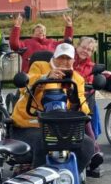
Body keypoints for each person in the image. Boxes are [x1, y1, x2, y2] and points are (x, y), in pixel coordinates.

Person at [10, 43, 99, 173]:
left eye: (68, 59)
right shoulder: (39, 66)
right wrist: (45, 77)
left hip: (62, 127)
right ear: (54, 57)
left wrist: (75, 100)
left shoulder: (76, 79)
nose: (64, 61)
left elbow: (84, 110)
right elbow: (25, 86)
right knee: (45, 141)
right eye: (61, 57)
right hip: (31, 125)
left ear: (73, 60)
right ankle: (39, 181)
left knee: (87, 145)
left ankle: (68, 178)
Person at [74, 36, 105, 176]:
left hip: (82, 101)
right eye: (84, 47)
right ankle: (94, 150)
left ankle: (92, 151)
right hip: (65, 98)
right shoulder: (67, 59)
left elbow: (91, 85)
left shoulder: (92, 67)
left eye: (89, 50)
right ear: (77, 46)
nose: (85, 51)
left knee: (84, 112)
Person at [9, 12, 75, 72]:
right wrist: (17, 27)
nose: (40, 32)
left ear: (45, 35)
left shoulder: (52, 42)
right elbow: (14, 45)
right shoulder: (26, 43)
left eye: (43, 30)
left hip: (52, 74)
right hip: (31, 74)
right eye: (37, 30)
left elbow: (66, 44)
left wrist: (69, 27)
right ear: (32, 34)